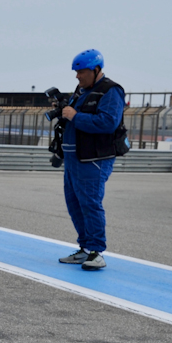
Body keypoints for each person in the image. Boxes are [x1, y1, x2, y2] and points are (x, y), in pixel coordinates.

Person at [57, 49, 125, 270]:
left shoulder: (110, 91)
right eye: (76, 72)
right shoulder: (81, 90)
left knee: (90, 203)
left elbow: (108, 122)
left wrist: (76, 116)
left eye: (82, 72)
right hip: (74, 157)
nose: (77, 77)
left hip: (93, 159)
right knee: (75, 204)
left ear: (96, 70)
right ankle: (85, 249)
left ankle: (97, 252)